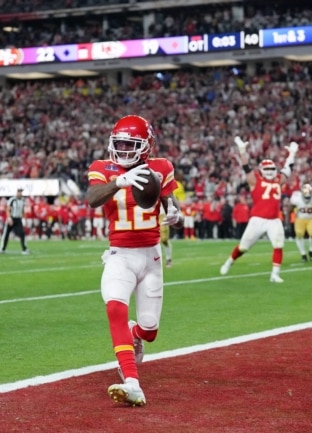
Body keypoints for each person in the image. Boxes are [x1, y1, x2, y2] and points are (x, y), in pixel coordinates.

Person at [85, 114, 183, 407]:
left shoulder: (161, 167)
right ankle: (131, 381)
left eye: (131, 144)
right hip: (120, 255)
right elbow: (92, 198)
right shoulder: (103, 168)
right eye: (121, 144)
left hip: (151, 256)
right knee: (115, 305)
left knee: (150, 330)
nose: (125, 150)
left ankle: (135, 333)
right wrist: (118, 182)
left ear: (146, 146)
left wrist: (176, 214)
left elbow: (171, 207)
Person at [219, 136, 298, 283]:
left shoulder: (278, 180)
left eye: (271, 169)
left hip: (274, 220)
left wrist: (292, 154)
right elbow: (246, 167)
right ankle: (229, 261)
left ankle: (275, 274)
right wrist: (242, 151)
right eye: (267, 169)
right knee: (243, 247)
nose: (269, 171)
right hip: (258, 220)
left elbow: (288, 169)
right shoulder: (255, 180)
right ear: (261, 170)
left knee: (279, 244)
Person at [290, 183, 312, 262]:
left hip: (311, 218)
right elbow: (291, 207)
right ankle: (303, 254)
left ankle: (311, 250)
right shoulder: (296, 197)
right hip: (300, 219)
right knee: (299, 234)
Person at [0, 187, 29, 254]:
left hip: (18, 219)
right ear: (16, 192)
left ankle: (24, 249)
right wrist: (9, 218)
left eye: (21, 192)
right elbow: (8, 209)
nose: (20, 193)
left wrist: (25, 218)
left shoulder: (23, 200)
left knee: (22, 233)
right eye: (19, 191)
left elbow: (23, 210)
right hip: (12, 218)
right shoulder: (12, 200)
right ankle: (2, 248)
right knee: (6, 234)